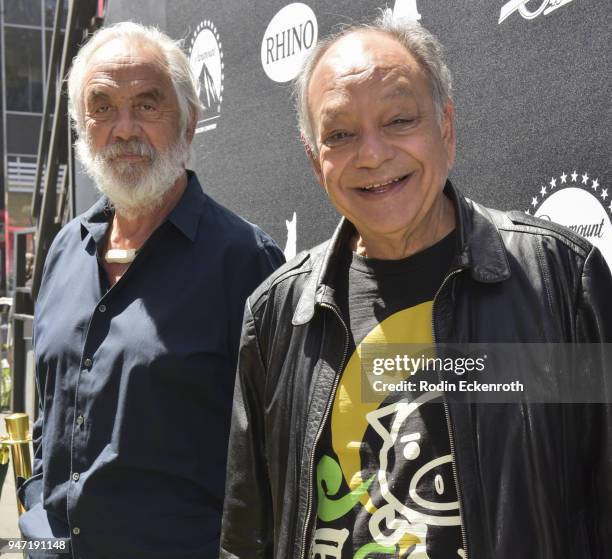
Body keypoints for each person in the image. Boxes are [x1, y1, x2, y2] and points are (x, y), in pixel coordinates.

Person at [219, 13, 612, 559]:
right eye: (340, 134)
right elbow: (248, 535)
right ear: (315, 162)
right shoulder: (279, 313)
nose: (372, 153)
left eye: (400, 120)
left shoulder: (559, 280)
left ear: (446, 128)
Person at [18, 22, 284, 558]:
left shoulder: (246, 262)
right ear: (81, 126)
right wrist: (35, 512)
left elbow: (275, 458)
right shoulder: (65, 250)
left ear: (188, 124)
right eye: (102, 107)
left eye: (146, 105)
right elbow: (51, 410)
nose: (123, 129)